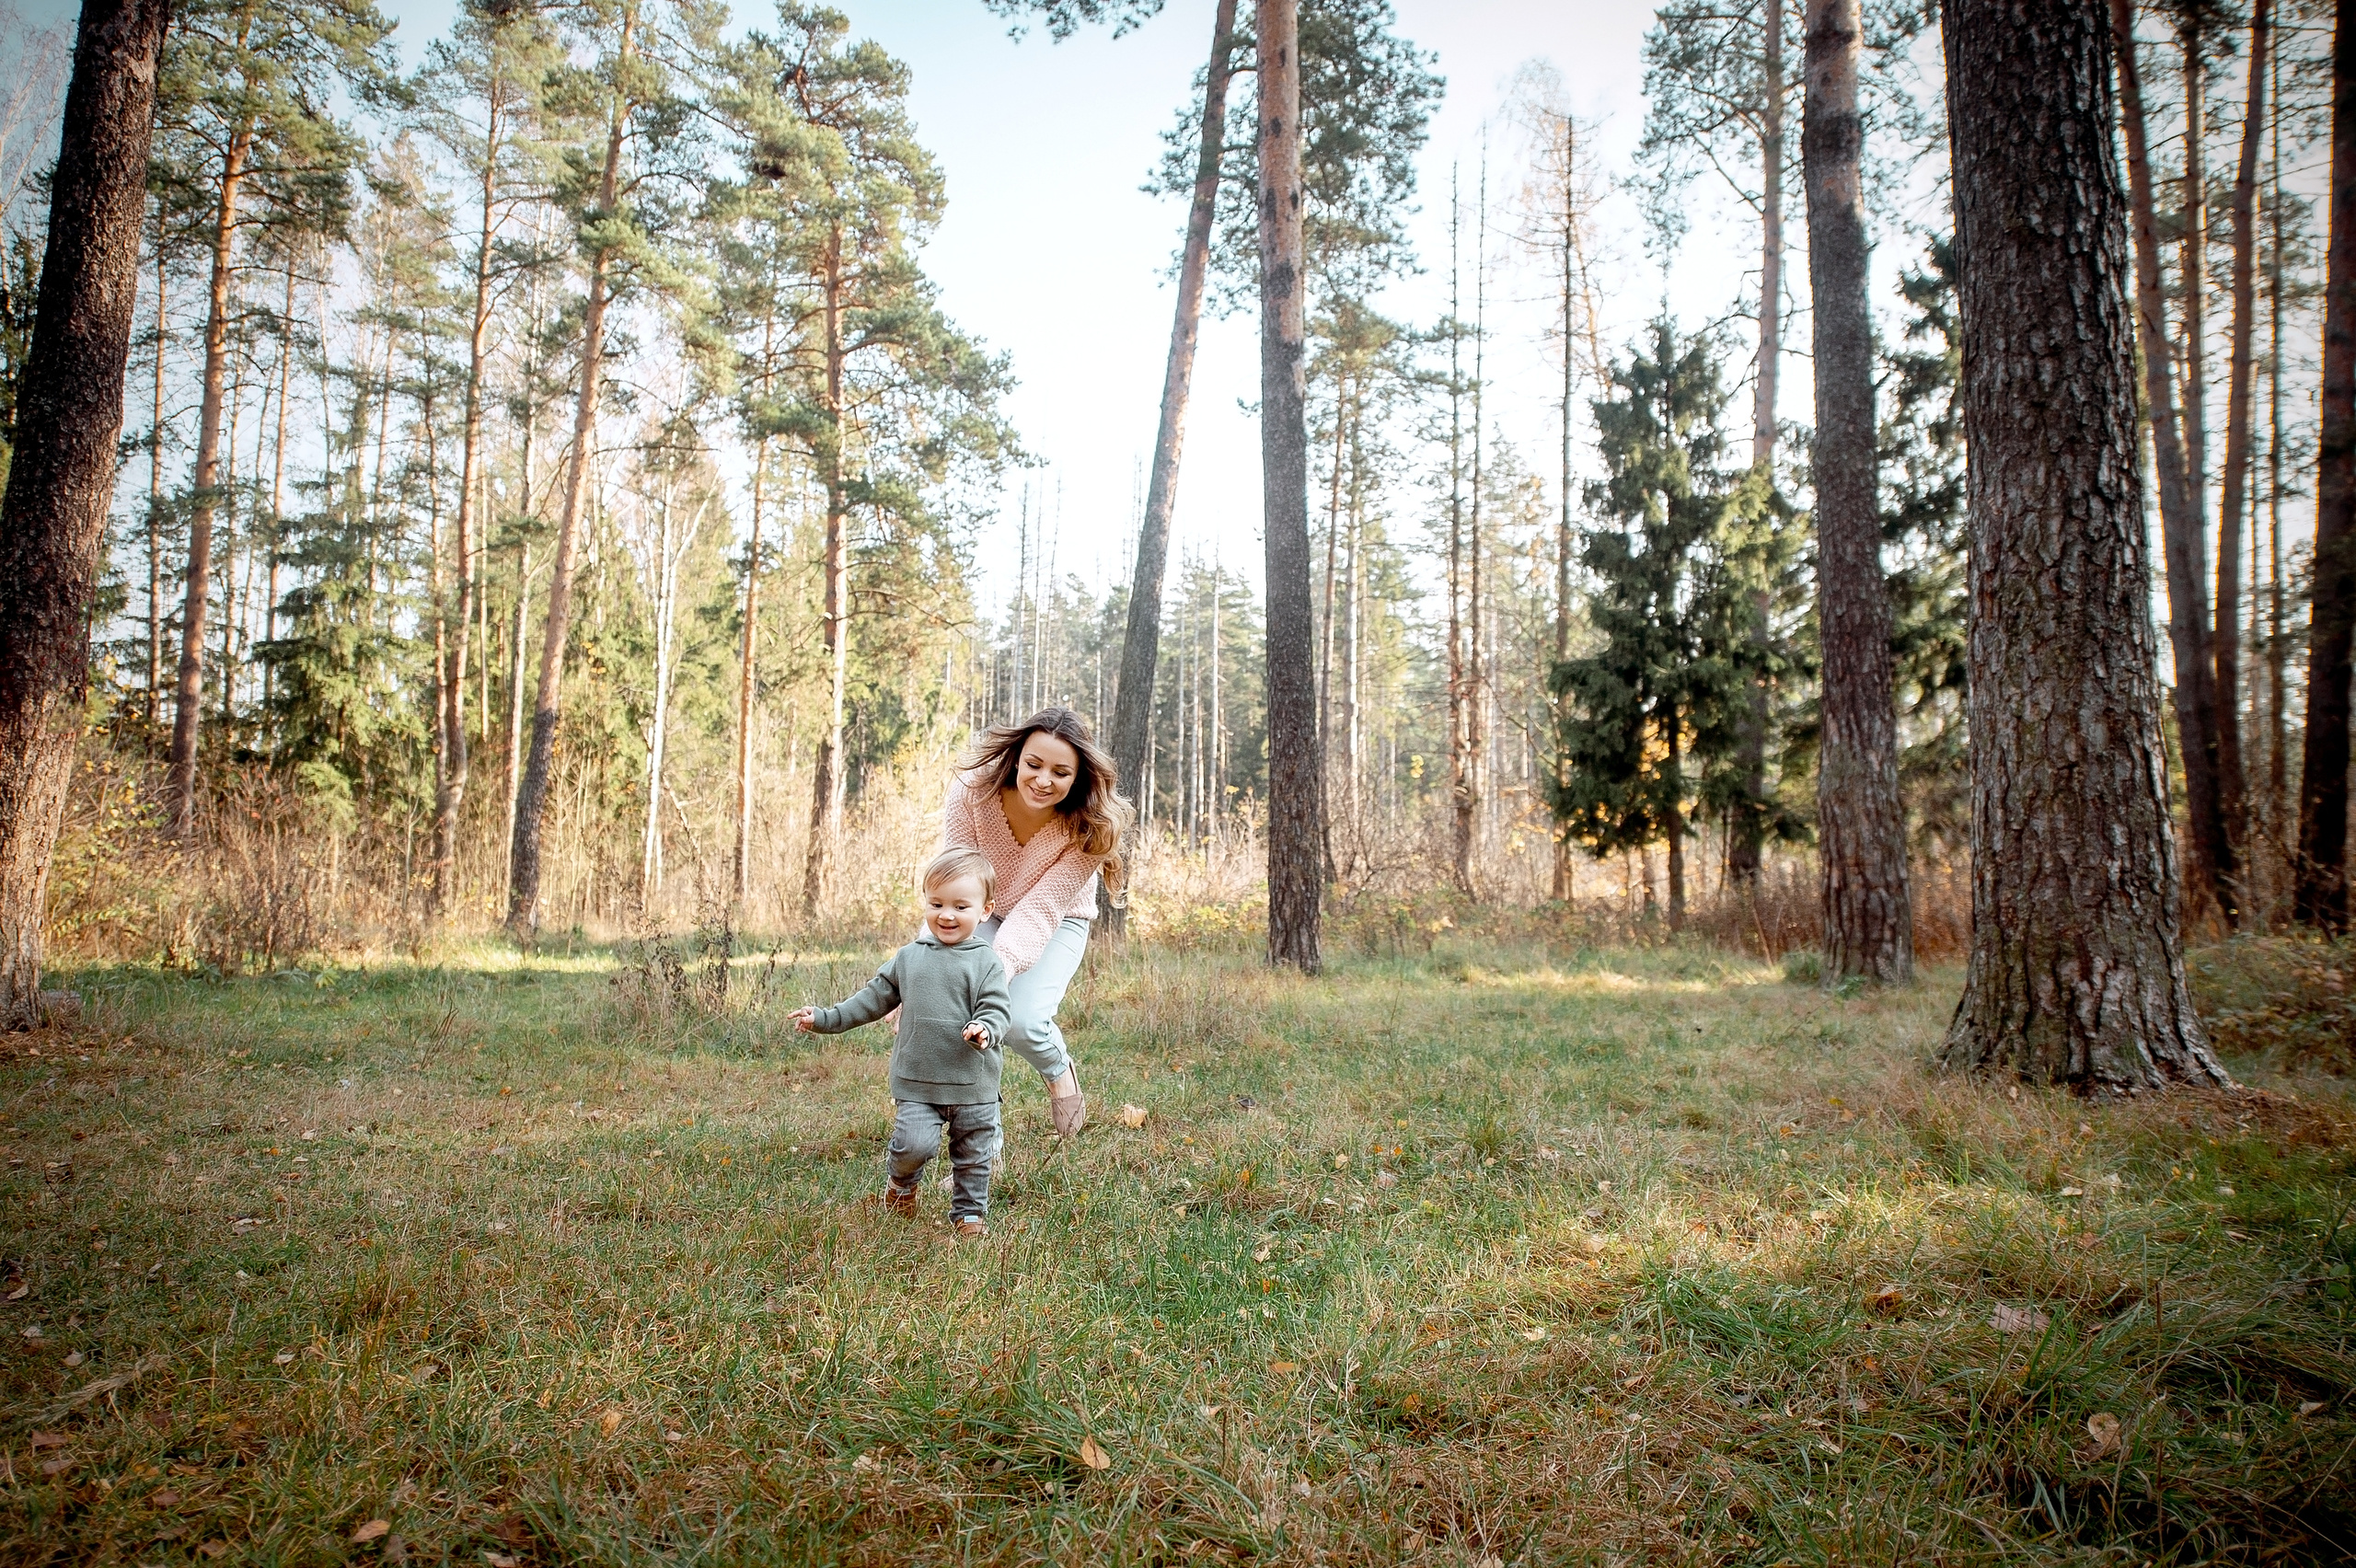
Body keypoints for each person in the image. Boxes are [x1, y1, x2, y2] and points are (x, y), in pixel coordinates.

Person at [792, 847, 1012, 1238]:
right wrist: (825, 1018)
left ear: (985, 910)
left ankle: (969, 1215)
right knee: (914, 1144)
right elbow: (872, 999)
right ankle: (901, 1185)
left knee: (974, 1155)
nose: (946, 915)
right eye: (937, 903)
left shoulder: (988, 962)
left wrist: (985, 1028)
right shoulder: (909, 958)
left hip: (974, 1082)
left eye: (961, 906)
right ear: (925, 902)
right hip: (918, 1079)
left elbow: (997, 1009)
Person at [941, 707, 1132, 1138]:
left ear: (1078, 777)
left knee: (1021, 1020)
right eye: (1034, 764)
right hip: (978, 908)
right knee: (957, 1004)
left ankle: (1058, 1069)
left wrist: (995, 972)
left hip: (1059, 917)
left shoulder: (1089, 826)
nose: (1044, 780)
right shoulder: (972, 792)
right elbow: (956, 880)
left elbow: (1040, 910)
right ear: (1016, 757)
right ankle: (980, 1132)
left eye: (1060, 772)